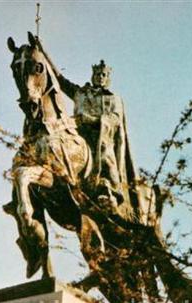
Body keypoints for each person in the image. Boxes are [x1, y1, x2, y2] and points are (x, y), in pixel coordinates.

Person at [41, 50, 137, 213]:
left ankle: (110, 192)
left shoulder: (113, 99)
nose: (100, 77)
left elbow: (115, 119)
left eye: (103, 75)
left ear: (107, 78)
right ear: (93, 75)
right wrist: (43, 52)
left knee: (106, 154)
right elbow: (60, 80)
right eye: (98, 74)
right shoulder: (81, 92)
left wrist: (91, 119)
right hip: (78, 134)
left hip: (100, 138)